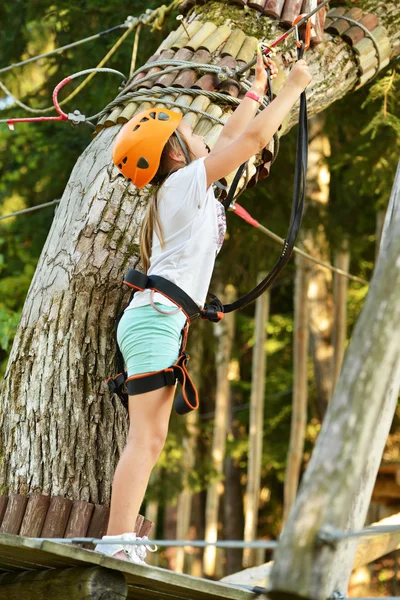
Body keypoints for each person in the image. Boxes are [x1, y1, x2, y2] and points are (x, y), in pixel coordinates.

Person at [94, 53, 312, 564]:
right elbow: (251, 143)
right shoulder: (185, 185)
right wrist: (294, 88)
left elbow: (235, 134)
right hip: (155, 321)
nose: (199, 136)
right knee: (145, 440)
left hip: (158, 320)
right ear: (174, 154)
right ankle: (117, 539)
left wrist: (258, 87)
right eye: (188, 133)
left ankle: (120, 537)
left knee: (150, 437)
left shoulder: (188, 185)